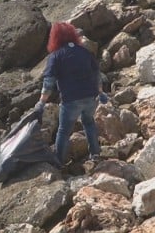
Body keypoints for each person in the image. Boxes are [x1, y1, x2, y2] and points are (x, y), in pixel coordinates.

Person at [34, 22, 108, 167]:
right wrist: (101, 92)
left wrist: (41, 102)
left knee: (63, 131)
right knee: (89, 123)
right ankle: (95, 154)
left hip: (71, 100)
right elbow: (96, 74)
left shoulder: (56, 56)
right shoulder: (84, 51)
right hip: (90, 98)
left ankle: (59, 162)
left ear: (55, 37)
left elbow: (49, 82)